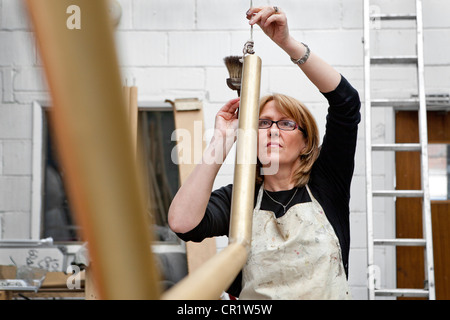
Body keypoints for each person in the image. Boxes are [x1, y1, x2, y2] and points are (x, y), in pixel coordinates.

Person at [168, 6, 361, 299]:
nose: (272, 130)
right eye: (262, 124)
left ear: (306, 143)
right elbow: (183, 224)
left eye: (285, 123)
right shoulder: (240, 197)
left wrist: (287, 43)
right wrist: (221, 141)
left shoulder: (326, 184)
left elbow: (346, 102)